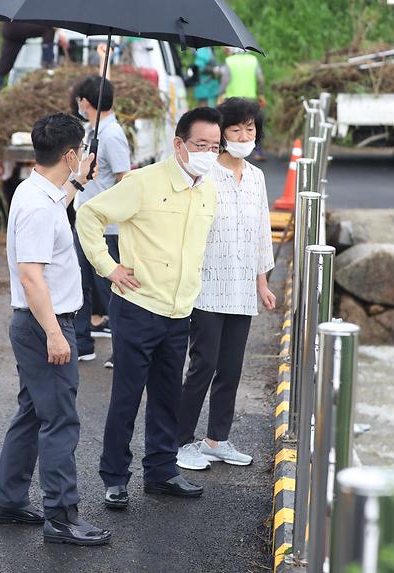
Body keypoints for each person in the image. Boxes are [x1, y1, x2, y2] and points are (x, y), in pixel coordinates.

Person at [76, 107, 222, 509]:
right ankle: (115, 478)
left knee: (166, 396)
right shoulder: (144, 182)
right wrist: (108, 268)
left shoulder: (207, 189)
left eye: (215, 146)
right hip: (138, 306)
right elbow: (89, 214)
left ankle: (161, 471)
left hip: (179, 311)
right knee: (127, 395)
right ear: (179, 144)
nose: (209, 153)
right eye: (201, 145)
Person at [0, 112, 110, 547]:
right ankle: (61, 517)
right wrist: (56, 335)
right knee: (60, 420)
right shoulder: (39, 205)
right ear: (71, 153)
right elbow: (32, 277)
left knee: (32, 412)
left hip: (40, 322)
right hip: (46, 323)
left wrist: (76, 184)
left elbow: (58, 206)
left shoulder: (36, 190)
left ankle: (7, 500)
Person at [176, 97, 276, 471]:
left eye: (250, 129)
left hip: (240, 288)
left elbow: (260, 233)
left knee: (231, 368)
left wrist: (261, 283)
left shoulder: (256, 177)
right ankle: (181, 441)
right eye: (236, 129)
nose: (244, 135)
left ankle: (217, 438)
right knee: (203, 364)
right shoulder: (203, 175)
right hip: (206, 286)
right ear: (222, 133)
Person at [71, 74, 130, 368]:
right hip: (85, 222)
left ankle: (123, 349)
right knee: (79, 283)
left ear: (84, 102)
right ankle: (82, 343)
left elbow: (124, 179)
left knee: (110, 288)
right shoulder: (90, 132)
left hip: (106, 228)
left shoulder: (113, 135)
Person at [0, 23, 69, 97]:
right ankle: (48, 62)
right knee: (48, 29)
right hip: (16, 27)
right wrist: (61, 32)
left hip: (10, 28)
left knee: (3, 67)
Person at [219, 48, 266, 160]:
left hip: (231, 100)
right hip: (250, 99)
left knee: (233, 126)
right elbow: (260, 79)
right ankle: (258, 152)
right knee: (252, 125)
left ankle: (227, 151)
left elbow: (225, 80)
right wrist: (261, 94)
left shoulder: (230, 61)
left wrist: (220, 93)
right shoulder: (253, 60)